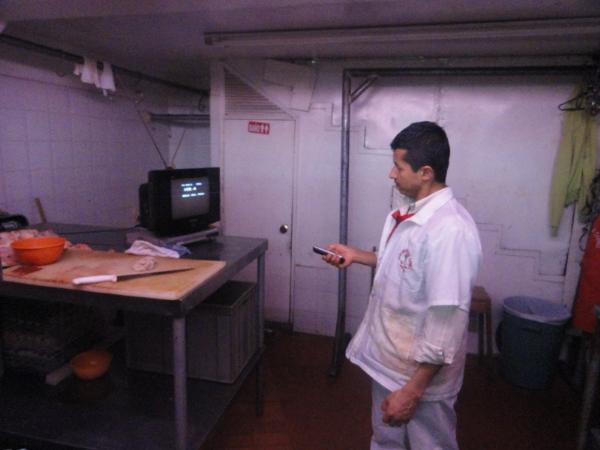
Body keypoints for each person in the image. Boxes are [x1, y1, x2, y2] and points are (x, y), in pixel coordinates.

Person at [323, 121, 482, 450]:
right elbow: (400, 264)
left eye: (398, 167)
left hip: (420, 377)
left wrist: (413, 390)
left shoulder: (450, 231)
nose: (391, 174)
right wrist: (357, 255)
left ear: (425, 173)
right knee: (385, 439)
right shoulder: (407, 213)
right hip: (390, 361)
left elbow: (446, 322)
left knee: (430, 445)